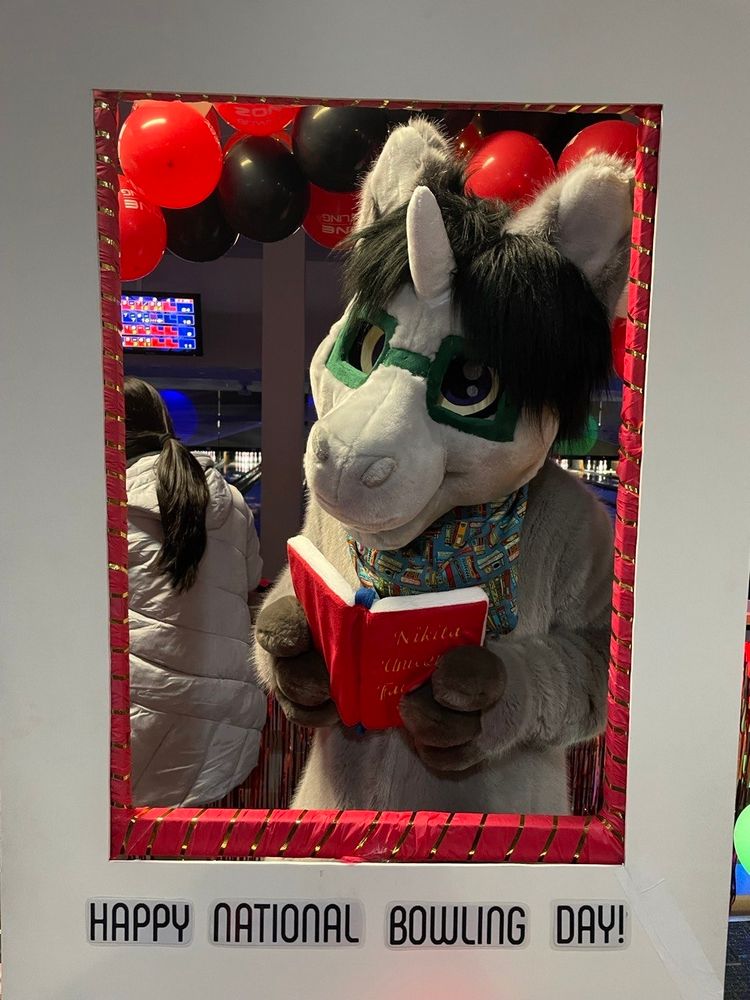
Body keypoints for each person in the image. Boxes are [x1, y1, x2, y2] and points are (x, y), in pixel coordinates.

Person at [124, 376, 265, 806]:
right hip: (230, 726)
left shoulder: (106, 499)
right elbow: (249, 582)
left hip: (136, 719)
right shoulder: (234, 502)